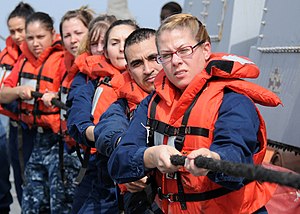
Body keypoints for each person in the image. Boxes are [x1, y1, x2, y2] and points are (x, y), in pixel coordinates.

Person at [108, 14, 282, 213]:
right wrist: (150, 156)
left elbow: (235, 152)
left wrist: (212, 158)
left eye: (184, 50)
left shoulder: (233, 101)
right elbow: (119, 161)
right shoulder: (151, 104)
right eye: (166, 55)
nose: (176, 61)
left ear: (206, 49)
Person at [0, 11, 71, 213]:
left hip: (60, 142)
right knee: (31, 201)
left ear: (52, 34)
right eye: (30, 38)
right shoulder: (22, 61)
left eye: (40, 37)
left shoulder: (62, 60)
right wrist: (17, 91)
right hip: (33, 139)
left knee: (59, 202)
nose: (34, 43)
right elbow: (2, 94)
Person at [67, 19, 139, 213]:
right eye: (114, 43)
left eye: (128, 41)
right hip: (103, 172)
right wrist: (108, 138)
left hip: (145, 176)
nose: (122, 48)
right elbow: (77, 121)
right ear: (105, 52)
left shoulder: (158, 83)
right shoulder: (92, 84)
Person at [95, 28, 163, 213]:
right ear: (129, 71)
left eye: (153, 58)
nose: (148, 69)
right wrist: (129, 158)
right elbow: (107, 129)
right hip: (146, 200)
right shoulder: (121, 106)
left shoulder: (196, 95)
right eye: (137, 63)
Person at [0, 2, 35, 208]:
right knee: (21, 181)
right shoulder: (6, 57)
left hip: (39, 129)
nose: (16, 35)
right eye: (12, 31)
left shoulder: (43, 57)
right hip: (15, 128)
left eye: (20, 30)